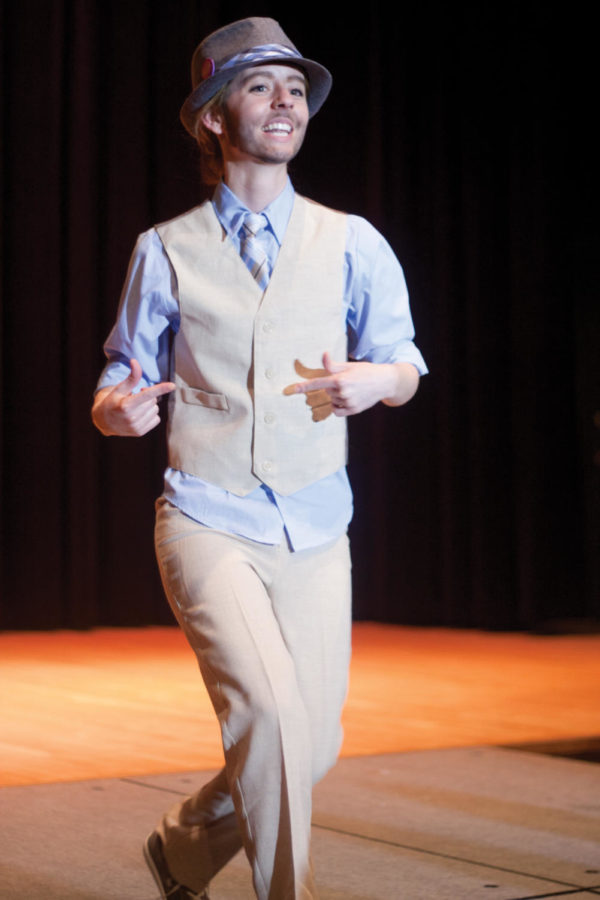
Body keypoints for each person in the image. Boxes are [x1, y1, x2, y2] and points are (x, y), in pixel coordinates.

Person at [92, 16, 427, 900]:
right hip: (208, 516)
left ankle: (184, 851)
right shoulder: (165, 250)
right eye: (257, 86)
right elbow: (121, 375)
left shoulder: (349, 239)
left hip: (317, 521)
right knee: (271, 719)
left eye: (293, 88)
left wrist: (377, 381)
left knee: (312, 746)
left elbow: (405, 364)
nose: (285, 101)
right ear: (211, 115)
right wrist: (113, 413)